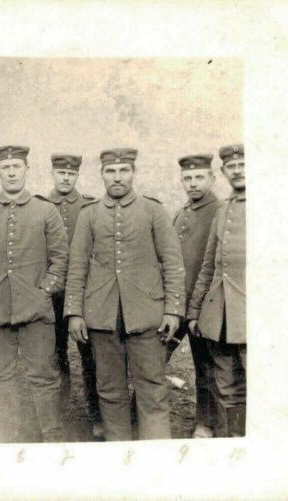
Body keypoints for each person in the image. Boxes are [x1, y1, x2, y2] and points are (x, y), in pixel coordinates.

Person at [65, 148, 185, 441]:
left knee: (152, 390)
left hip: (146, 316)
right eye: (110, 171)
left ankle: (157, 458)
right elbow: (77, 265)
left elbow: (172, 262)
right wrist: (75, 313)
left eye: (123, 171)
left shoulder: (153, 211)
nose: (117, 177)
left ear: (133, 173)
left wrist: (172, 310)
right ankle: (118, 452)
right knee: (109, 391)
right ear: (102, 174)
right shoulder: (89, 214)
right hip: (102, 317)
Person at [0, 145, 69, 442]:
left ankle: (51, 432)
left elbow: (61, 258)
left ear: (26, 170)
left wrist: (44, 291)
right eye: (5, 168)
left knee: (43, 375)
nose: (11, 173)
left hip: (36, 311)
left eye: (16, 167)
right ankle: (7, 430)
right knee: (0, 374)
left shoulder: (46, 211)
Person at [188, 144, 246, 437]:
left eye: (242, 165)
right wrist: (196, 310)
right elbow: (209, 267)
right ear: (223, 172)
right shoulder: (224, 211)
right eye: (232, 167)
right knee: (228, 387)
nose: (237, 170)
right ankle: (238, 442)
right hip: (221, 319)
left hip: (251, 318)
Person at [166, 154, 224, 438]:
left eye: (199, 177)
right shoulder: (181, 213)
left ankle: (206, 423)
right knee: (153, 361)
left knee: (206, 368)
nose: (193, 183)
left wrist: (200, 309)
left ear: (212, 179)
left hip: (201, 309)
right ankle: (141, 417)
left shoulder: (220, 211)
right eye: (187, 178)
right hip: (175, 308)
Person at [46, 152, 102, 438]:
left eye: (70, 174)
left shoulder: (90, 206)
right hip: (52, 295)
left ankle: (96, 413)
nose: (65, 178)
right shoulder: (40, 206)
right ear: (52, 175)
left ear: (76, 176)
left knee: (89, 356)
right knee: (55, 355)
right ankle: (57, 413)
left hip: (83, 295)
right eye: (60, 173)